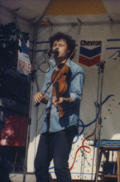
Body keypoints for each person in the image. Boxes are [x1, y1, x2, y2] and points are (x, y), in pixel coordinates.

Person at [33, 32, 84, 182]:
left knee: (60, 166)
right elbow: (48, 98)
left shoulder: (76, 70)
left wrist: (63, 99)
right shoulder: (50, 70)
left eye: (60, 45)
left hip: (65, 125)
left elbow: (76, 96)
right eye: (54, 45)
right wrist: (40, 96)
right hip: (48, 125)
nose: (56, 47)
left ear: (69, 50)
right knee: (40, 165)